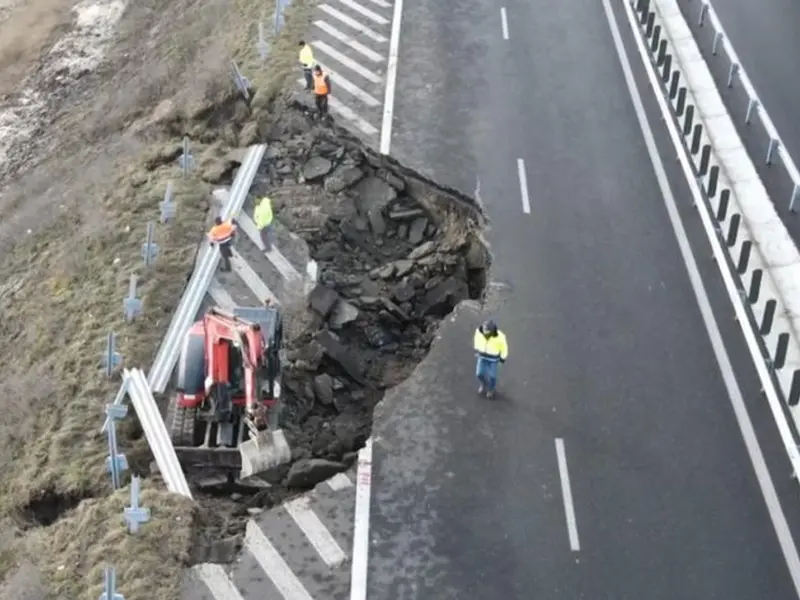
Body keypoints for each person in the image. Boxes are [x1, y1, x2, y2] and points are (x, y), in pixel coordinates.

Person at [473, 320, 508, 399]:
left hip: (493, 359)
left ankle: (491, 389)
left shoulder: (500, 337)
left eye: (487, 330)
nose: (485, 331)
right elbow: (476, 340)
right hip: (482, 356)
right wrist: (476, 349)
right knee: (479, 374)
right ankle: (484, 384)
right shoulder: (479, 332)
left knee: (492, 376)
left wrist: (502, 359)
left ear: (492, 331)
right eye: (484, 329)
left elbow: (504, 348)